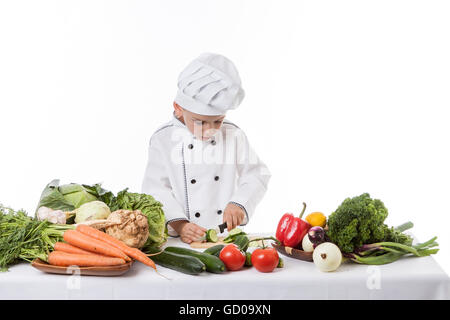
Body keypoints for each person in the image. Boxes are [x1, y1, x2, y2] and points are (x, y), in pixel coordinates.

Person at [142, 53, 271, 244]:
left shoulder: (234, 135)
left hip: (225, 237)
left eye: (218, 121)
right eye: (200, 122)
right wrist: (181, 225)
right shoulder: (163, 139)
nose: (210, 130)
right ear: (178, 108)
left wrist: (239, 204)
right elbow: (156, 189)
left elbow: (257, 175)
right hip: (180, 240)